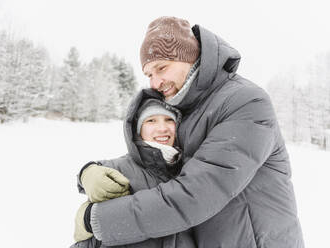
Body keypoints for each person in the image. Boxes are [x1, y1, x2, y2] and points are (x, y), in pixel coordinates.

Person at [74, 16, 304, 247]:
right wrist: (91, 171)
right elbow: (153, 163)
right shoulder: (185, 109)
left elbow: (195, 194)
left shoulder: (245, 101)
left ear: (190, 58)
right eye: (149, 74)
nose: (155, 83)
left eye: (161, 68)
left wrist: (96, 220)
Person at [72, 92, 196, 248]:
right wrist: (87, 172)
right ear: (138, 129)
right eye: (151, 121)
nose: (162, 128)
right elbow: (89, 239)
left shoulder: (191, 170)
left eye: (169, 120)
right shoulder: (115, 171)